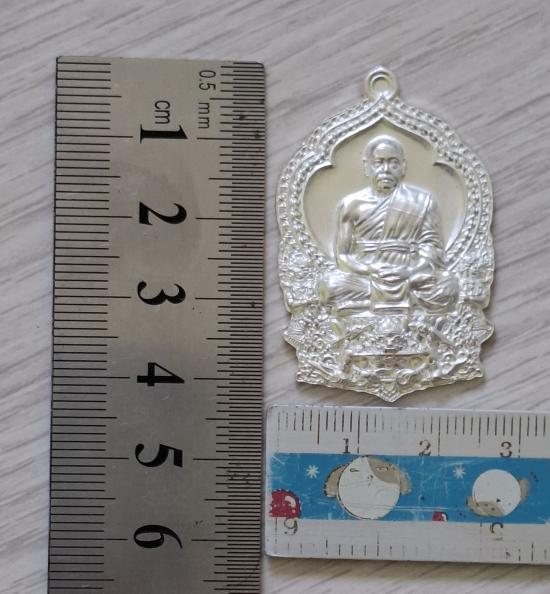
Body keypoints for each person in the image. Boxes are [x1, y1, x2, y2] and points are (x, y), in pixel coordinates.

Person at [318, 135, 458, 314]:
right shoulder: (351, 204)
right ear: (367, 167)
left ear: (403, 167)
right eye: (378, 163)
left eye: (393, 163)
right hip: (367, 277)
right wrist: (369, 270)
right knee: (329, 285)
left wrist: (409, 271)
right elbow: (343, 256)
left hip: (410, 275)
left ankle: (368, 303)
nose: (385, 170)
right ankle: (404, 300)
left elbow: (433, 249)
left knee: (449, 286)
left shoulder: (422, 201)